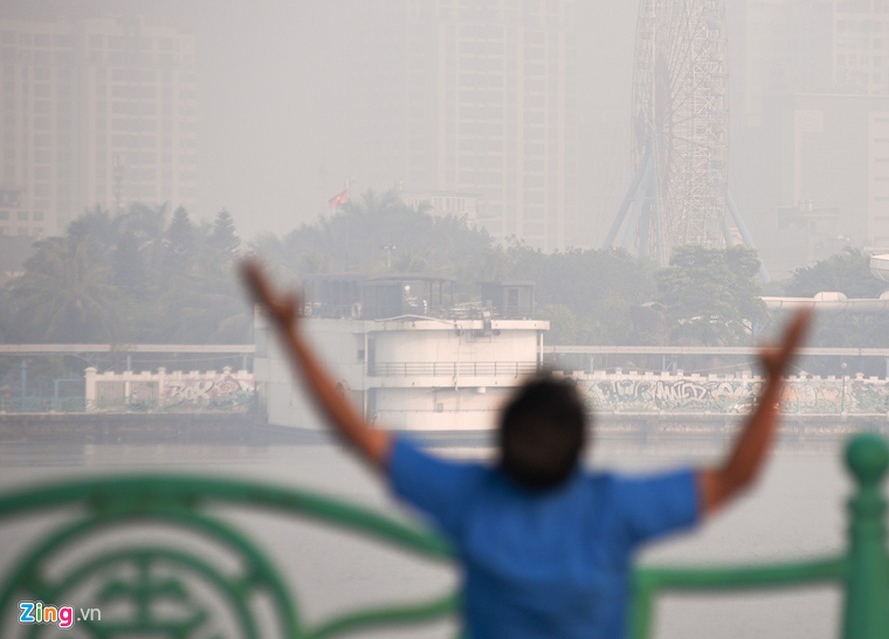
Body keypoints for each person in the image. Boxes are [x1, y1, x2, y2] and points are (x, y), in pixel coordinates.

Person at [240, 259, 811, 639]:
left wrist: (291, 334)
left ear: (500, 441)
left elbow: (357, 435)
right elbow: (737, 475)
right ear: (582, 444)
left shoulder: (469, 499)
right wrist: (776, 378)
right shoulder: (612, 509)